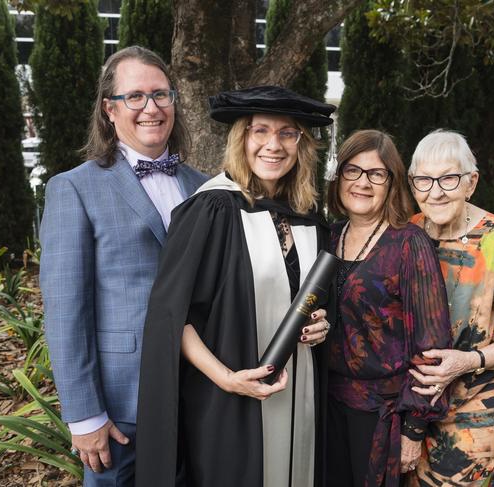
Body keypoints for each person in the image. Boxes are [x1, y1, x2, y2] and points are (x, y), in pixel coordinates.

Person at [135, 85, 336, 487]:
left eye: (287, 133)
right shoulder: (211, 210)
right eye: (260, 131)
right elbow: (173, 316)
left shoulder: (308, 217)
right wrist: (227, 378)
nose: (272, 145)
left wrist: (321, 324)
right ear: (240, 138)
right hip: (228, 400)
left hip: (301, 395)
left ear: (301, 144)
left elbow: (309, 296)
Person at [39, 46, 207, 486]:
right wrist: (84, 416)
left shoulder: (207, 188)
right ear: (109, 109)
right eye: (135, 97)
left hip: (201, 396)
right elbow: (64, 312)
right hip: (121, 409)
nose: (150, 108)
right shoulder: (73, 189)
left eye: (160, 95)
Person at [405, 129, 494, 486]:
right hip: (410, 405)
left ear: (471, 182)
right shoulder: (408, 231)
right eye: (423, 179)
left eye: (448, 178)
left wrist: (468, 361)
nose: (434, 191)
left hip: (472, 410)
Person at [325, 130, 452, 487]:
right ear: (338, 177)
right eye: (353, 171)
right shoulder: (329, 235)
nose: (363, 183)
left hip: (382, 415)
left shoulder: (409, 243)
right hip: (323, 403)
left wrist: (414, 427)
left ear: (391, 183)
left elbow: (432, 343)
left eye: (376, 174)